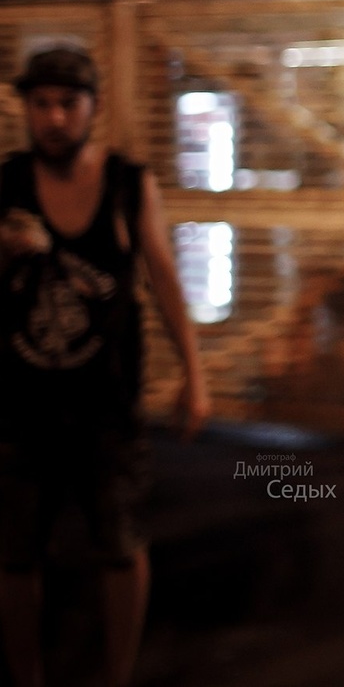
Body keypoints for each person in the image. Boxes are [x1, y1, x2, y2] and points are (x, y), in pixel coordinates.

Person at [0, 46, 211, 687]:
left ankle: (116, 677)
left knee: (120, 547)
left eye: (68, 103)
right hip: (19, 402)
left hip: (107, 401)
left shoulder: (126, 184)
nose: (55, 118)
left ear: (92, 107)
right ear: (27, 110)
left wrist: (194, 375)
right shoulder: (6, 185)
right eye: (42, 105)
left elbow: (165, 276)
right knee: (15, 555)